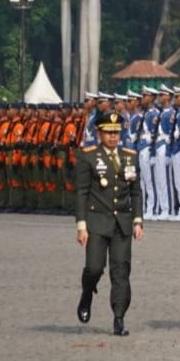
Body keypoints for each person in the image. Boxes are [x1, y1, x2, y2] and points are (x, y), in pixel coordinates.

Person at [74, 112, 144, 336]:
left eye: (116, 132)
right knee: (94, 268)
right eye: (108, 132)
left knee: (121, 271)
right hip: (96, 221)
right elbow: (82, 192)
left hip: (122, 223)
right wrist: (81, 225)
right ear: (99, 133)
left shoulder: (130, 156)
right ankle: (87, 293)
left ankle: (119, 318)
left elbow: (135, 192)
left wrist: (137, 220)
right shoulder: (88, 156)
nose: (113, 137)